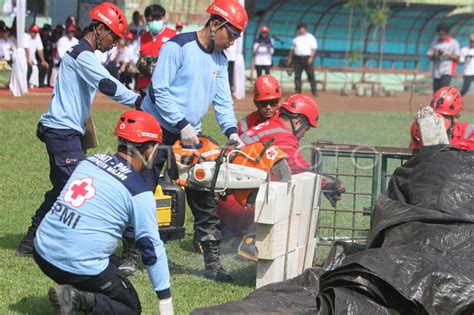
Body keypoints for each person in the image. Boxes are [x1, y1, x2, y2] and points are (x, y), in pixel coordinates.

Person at [16, 2, 141, 258]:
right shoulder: (82, 55)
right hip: (62, 133)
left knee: (63, 189)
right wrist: (139, 101)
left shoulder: (81, 53)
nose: (114, 44)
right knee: (79, 189)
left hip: (65, 132)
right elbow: (107, 84)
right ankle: (79, 247)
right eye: (113, 37)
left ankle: (32, 242)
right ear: (98, 29)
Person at [141, 0, 248, 282]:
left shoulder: (220, 60)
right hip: (155, 130)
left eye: (237, 36)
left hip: (189, 134)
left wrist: (232, 132)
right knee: (139, 191)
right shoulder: (178, 47)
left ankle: (212, 263)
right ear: (215, 24)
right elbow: (159, 90)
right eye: (232, 34)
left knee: (204, 195)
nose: (232, 42)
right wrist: (181, 124)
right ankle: (129, 254)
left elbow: (223, 102)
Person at [34, 110, 174, 315]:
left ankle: (75, 292)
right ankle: (77, 298)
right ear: (150, 150)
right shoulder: (139, 192)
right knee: (130, 308)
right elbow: (151, 248)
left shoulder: (89, 162)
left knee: (108, 265)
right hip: (74, 262)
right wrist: (165, 300)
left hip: (43, 251)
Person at [221, 94, 345, 234]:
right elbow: (298, 167)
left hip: (224, 195)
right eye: (307, 128)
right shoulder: (282, 135)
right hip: (235, 201)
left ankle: (227, 232)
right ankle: (249, 240)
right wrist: (325, 185)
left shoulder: (269, 125)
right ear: (297, 122)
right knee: (288, 196)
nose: (304, 133)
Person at [133, 4, 177, 92]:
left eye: (157, 19)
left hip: (167, 87)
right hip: (145, 85)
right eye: (150, 20)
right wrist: (140, 63)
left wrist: (161, 65)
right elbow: (134, 56)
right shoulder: (142, 38)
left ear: (164, 19)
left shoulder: (175, 36)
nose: (153, 22)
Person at [427, 23, 460, 93]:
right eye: (439, 34)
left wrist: (447, 54)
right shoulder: (434, 42)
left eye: (443, 34)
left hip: (448, 70)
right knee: (436, 92)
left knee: (443, 89)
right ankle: (437, 104)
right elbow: (429, 55)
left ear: (447, 33)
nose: (441, 36)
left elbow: (457, 58)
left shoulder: (453, 42)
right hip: (436, 71)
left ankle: (446, 103)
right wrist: (434, 54)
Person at [287, 23, 318, 96]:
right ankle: (298, 90)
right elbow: (292, 50)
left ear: (304, 28)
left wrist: (311, 57)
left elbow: (314, 48)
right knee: (297, 75)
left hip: (307, 58)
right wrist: (290, 59)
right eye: (298, 29)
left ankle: (314, 91)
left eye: (300, 28)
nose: (299, 30)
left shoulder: (311, 37)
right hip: (297, 59)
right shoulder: (296, 39)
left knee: (310, 75)